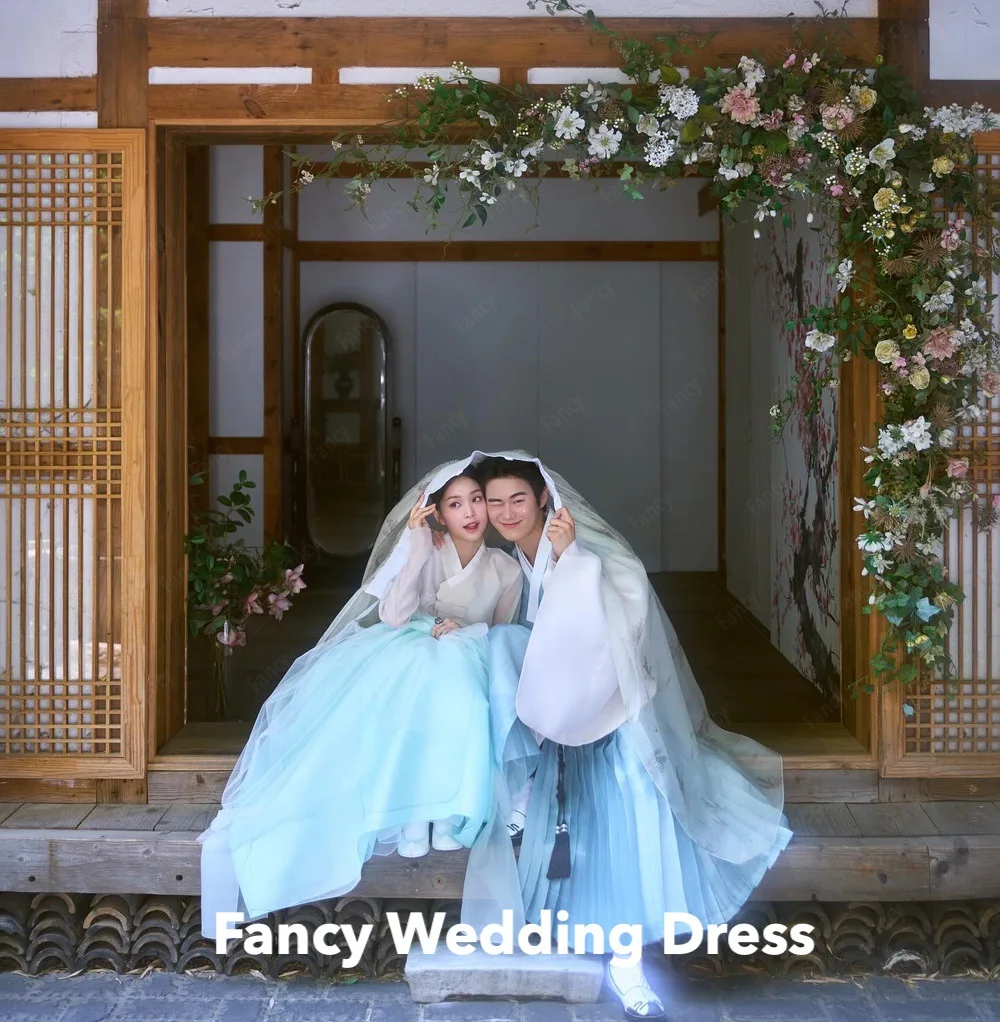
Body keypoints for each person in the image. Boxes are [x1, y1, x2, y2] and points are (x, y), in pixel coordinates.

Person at [476, 453, 793, 1021]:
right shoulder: (513, 559)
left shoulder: (586, 547)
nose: (505, 512)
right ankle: (590, 933)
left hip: (616, 711)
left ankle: (629, 963)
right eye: (494, 502)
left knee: (630, 822)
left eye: (517, 499)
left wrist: (572, 562)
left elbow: (628, 605)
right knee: (581, 828)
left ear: (544, 497)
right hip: (561, 714)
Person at [198, 467, 523, 936]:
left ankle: (444, 811)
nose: (470, 512)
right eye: (455, 504)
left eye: (476, 500)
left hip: (467, 658)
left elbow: (500, 634)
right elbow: (392, 617)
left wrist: (465, 632)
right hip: (408, 649)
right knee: (422, 677)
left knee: (456, 675)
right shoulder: (427, 550)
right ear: (437, 513)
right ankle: (412, 814)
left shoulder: (505, 567)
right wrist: (412, 549)